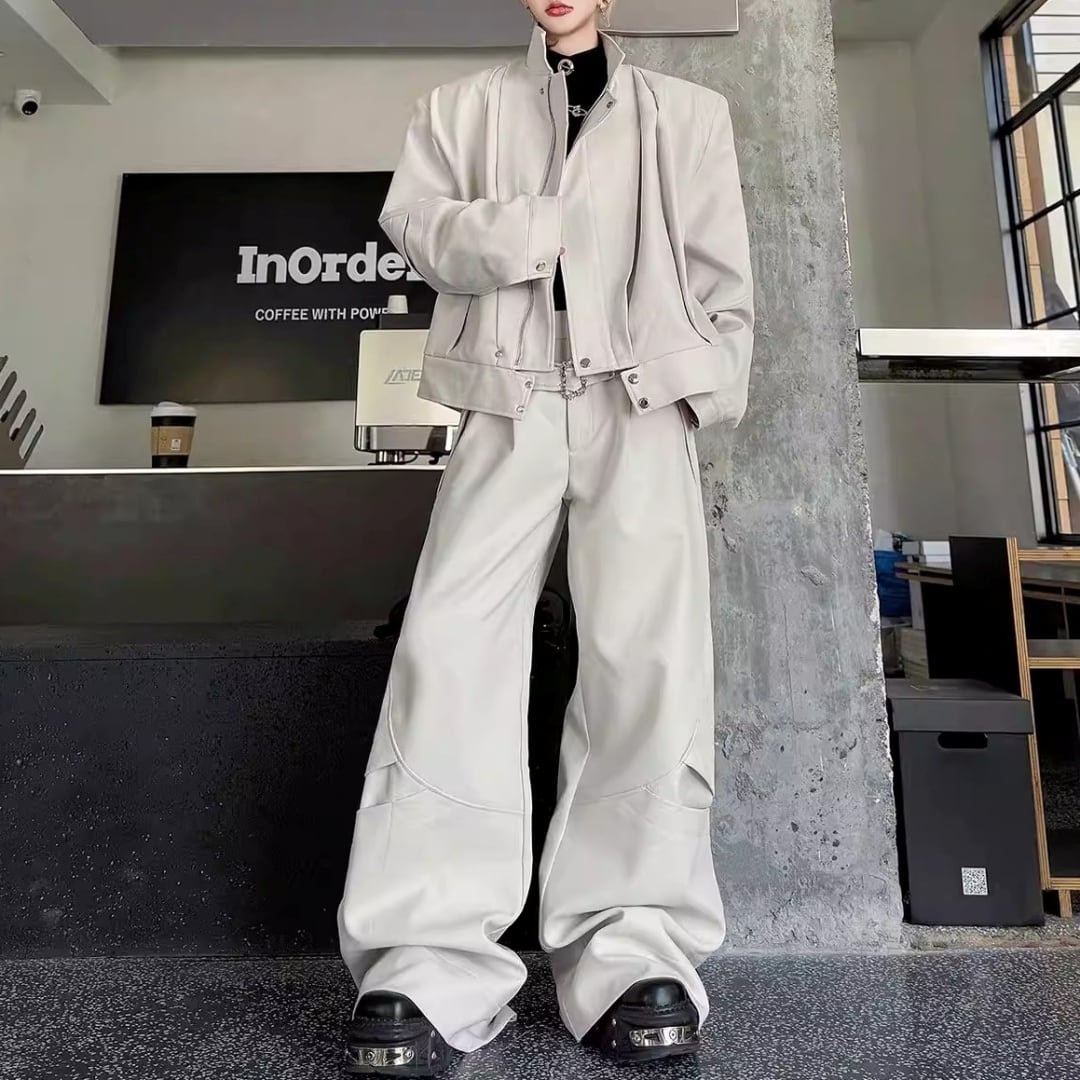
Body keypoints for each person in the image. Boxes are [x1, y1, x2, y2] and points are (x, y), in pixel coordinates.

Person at [338, 0, 754, 1073]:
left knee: (648, 662)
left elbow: (722, 275)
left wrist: (702, 387)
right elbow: (417, 228)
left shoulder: (687, 113)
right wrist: (529, 226)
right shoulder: (459, 108)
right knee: (448, 651)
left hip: (640, 399)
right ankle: (427, 956)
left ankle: (632, 945)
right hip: (506, 395)